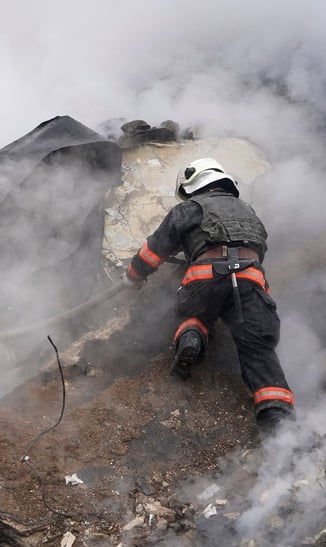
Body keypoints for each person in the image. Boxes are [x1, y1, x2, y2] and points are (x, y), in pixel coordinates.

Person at [124, 157, 295, 431]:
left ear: (193, 186)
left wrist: (133, 276)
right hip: (250, 278)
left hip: (204, 276)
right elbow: (259, 247)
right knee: (258, 348)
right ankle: (278, 418)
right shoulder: (248, 211)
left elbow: (154, 250)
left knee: (193, 311)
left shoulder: (188, 208)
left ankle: (191, 337)